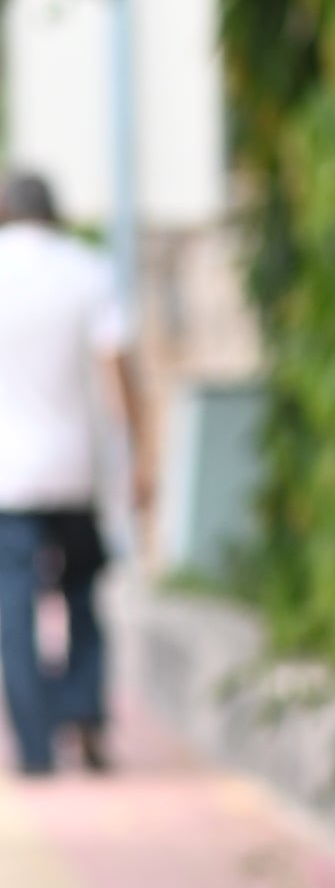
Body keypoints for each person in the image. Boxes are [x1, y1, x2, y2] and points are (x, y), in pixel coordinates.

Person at [0, 164, 150, 786]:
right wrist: (142, 453)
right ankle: (84, 715)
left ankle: (35, 747)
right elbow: (118, 368)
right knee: (83, 596)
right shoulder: (87, 272)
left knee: (14, 609)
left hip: (6, 477)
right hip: (75, 469)